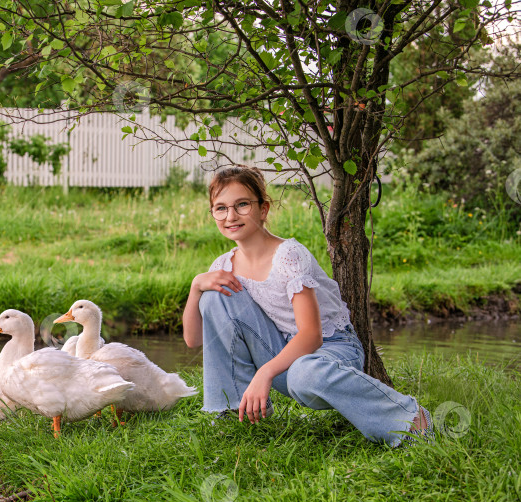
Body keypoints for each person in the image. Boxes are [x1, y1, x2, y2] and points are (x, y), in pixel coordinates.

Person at [182, 165, 434, 447]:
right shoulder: (223, 266)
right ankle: (233, 414)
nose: (230, 216)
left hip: (330, 348)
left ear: (263, 209)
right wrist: (196, 287)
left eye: (242, 205)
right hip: (282, 351)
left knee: (304, 373)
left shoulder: (288, 254)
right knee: (216, 293)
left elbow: (312, 336)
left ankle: (410, 420)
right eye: (220, 208)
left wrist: (264, 373)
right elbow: (194, 340)